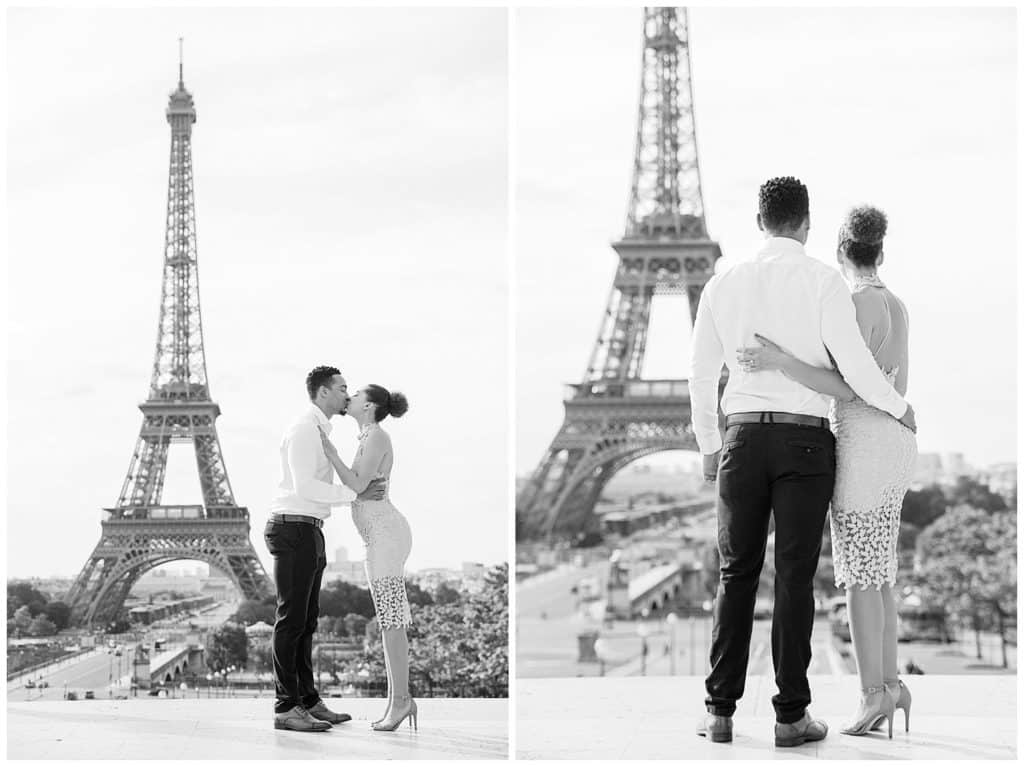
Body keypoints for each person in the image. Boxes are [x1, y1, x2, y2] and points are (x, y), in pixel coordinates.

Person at [689, 177, 916, 747]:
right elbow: (858, 371)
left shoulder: (724, 283)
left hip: (742, 436)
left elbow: (700, 376)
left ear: (759, 220)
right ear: (806, 223)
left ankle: (720, 711)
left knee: (734, 574)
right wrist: (900, 406)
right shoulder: (823, 282)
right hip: (808, 442)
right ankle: (791, 715)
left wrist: (708, 446)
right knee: (795, 579)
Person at [265, 365, 386, 733]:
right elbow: (306, 487)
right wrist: (355, 493)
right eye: (342, 387)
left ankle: (307, 700)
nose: (347, 394)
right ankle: (286, 706)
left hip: (308, 529)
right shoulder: (304, 430)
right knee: (291, 622)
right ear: (322, 393)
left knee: (305, 622)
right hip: (294, 527)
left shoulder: (318, 430)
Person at [319, 383, 416, 732]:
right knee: (390, 622)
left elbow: (358, 485)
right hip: (378, 537)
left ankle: (402, 701)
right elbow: (358, 488)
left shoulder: (376, 437)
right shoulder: (368, 437)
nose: (351, 397)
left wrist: (329, 451)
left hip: (386, 536)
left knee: (391, 622)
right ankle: (397, 701)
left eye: (357, 394)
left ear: (370, 405)